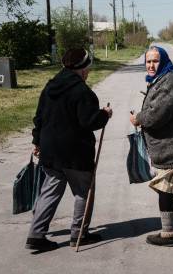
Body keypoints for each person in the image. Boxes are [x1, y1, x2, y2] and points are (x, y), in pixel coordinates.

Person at [25, 48, 112, 251]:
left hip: (50, 150)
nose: (88, 72)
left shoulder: (50, 86)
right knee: (84, 192)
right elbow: (89, 121)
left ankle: (36, 235)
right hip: (76, 153)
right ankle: (78, 234)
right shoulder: (83, 92)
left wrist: (37, 141)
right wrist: (105, 114)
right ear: (83, 69)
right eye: (88, 68)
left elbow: (39, 118)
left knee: (50, 190)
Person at [130, 46, 173, 246]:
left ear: (164, 61)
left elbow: (155, 116)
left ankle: (168, 233)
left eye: (155, 61)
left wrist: (138, 119)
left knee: (165, 187)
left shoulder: (170, 81)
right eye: (148, 61)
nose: (151, 65)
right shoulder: (163, 78)